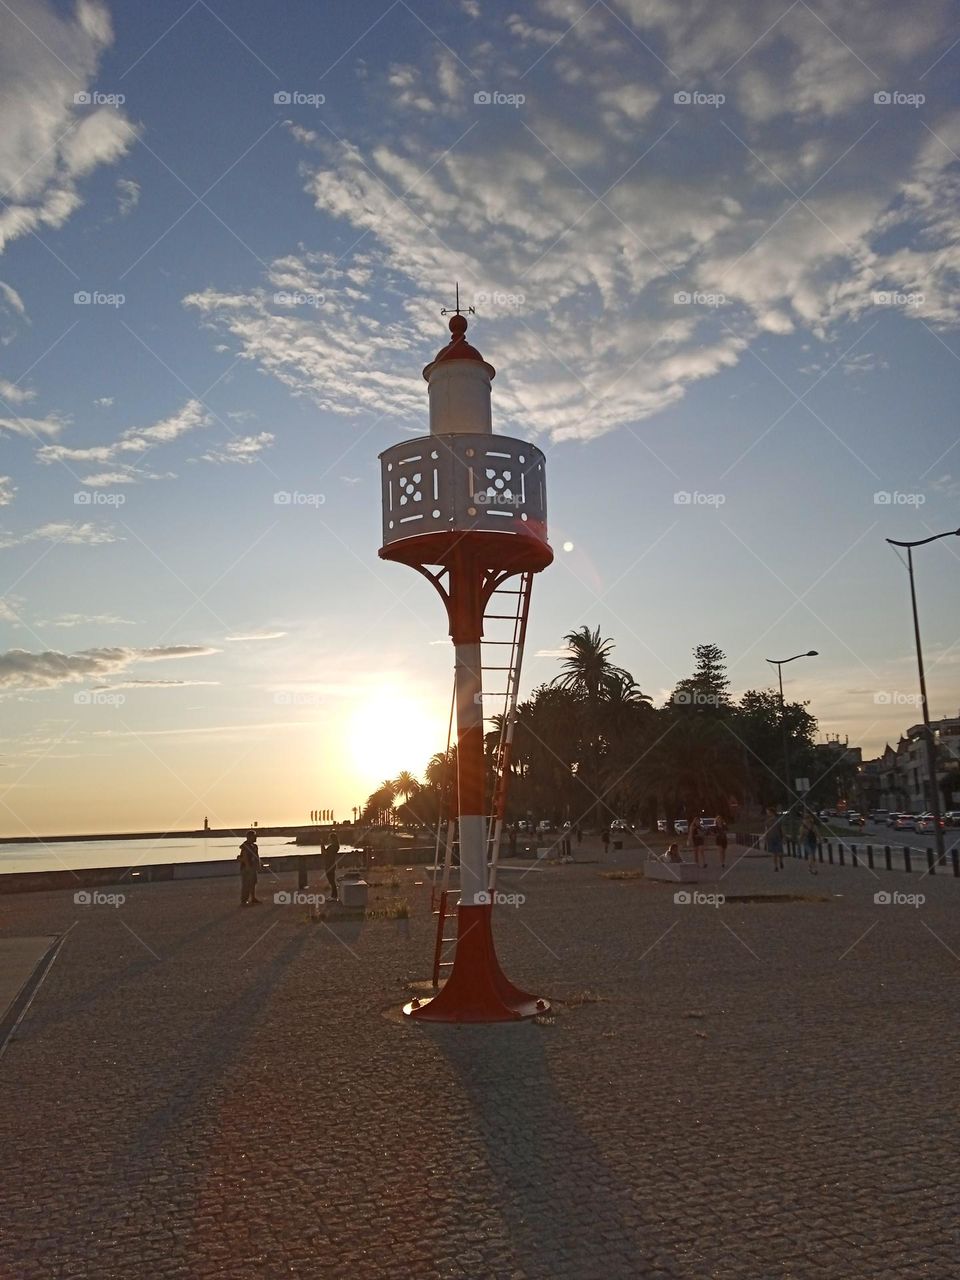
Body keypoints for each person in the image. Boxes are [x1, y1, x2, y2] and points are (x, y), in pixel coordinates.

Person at [238, 830, 261, 905]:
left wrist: (258, 865)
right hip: (246, 868)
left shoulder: (254, 846)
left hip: (252, 867)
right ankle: (244, 900)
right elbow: (244, 857)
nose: (256, 837)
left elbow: (257, 857)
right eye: (254, 836)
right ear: (249, 837)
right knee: (246, 884)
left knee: (253, 883)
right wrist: (248, 867)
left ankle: (253, 898)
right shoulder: (245, 846)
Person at [322, 828, 341, 901]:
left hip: (330, 864)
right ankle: (333, 895)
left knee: (331, 881)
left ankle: (334, 896)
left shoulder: (333, 847)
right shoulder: (335, 846)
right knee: (331, 880)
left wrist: (322, 844)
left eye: (330, 838)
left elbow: (324, 853)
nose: (329, 839)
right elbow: (325, 853)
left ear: (332, 839)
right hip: (331, 864)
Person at [801, 810, 819, 874]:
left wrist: (820, 839)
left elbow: (817, 834)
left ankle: (810, 868)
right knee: (811, 854)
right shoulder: (803, 827)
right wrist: (800, 842)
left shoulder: (814, 826)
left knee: (812, 856)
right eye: (805, 818)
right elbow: (801, 835)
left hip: (813, 842)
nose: (807, 820)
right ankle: (813, 869)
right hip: (806, 842)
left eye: (808, 818)